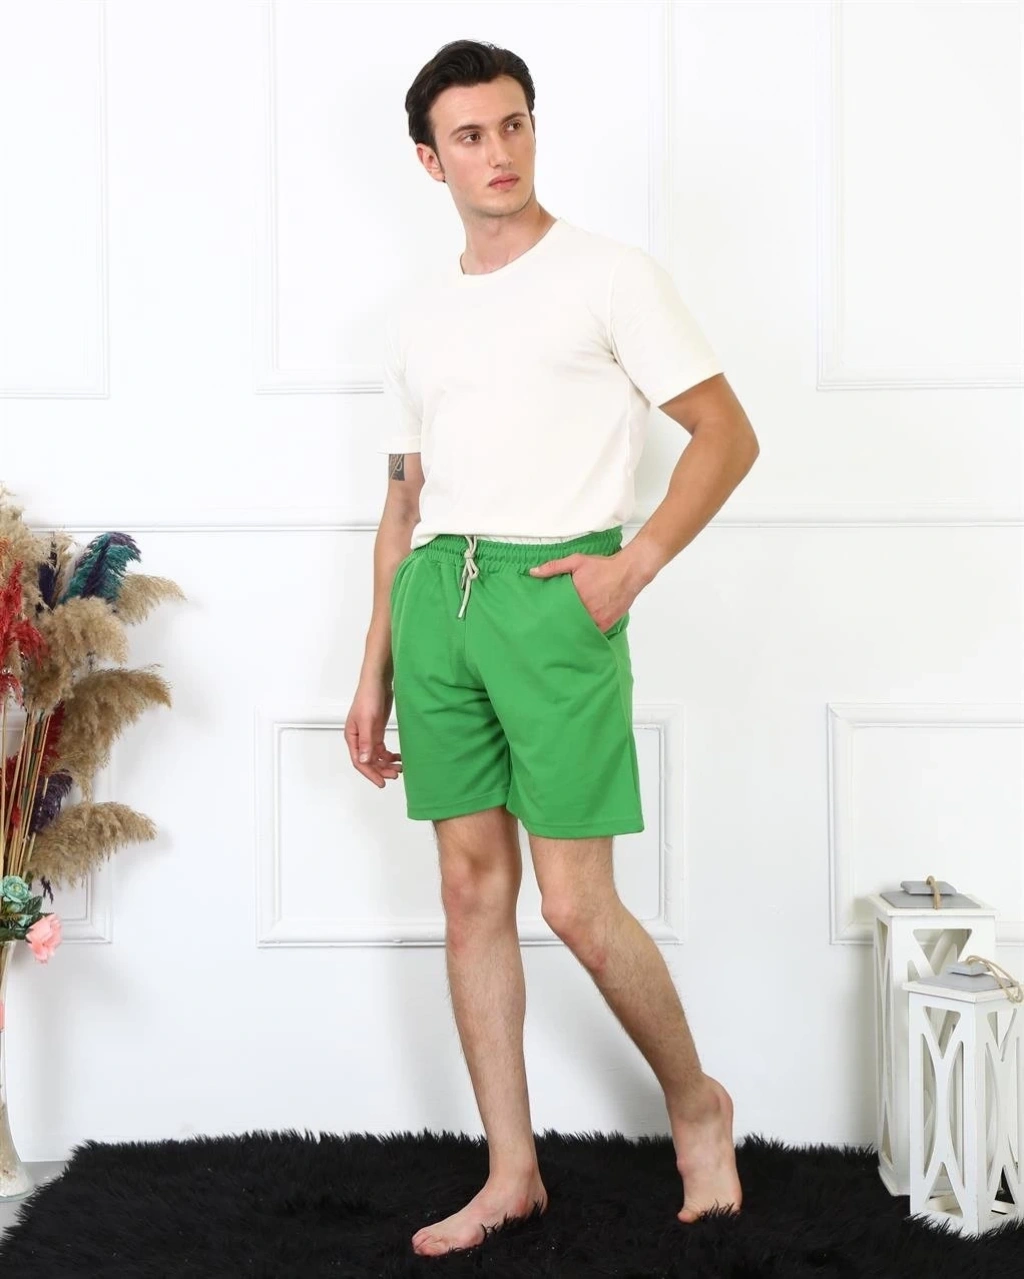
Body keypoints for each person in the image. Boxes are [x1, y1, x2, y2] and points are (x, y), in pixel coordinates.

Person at [345, 38, 759, 1259]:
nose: (500, 153)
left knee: (576, 904)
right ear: (429, 160)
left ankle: (697, 1103)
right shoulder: (415, 318)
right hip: (439, 595)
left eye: (513, 125)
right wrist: (372, 666)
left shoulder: (610, 275)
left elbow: (726, 433)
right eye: (470, 136)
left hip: (555, 591)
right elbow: (402, 502)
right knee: (469, 891)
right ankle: (510, 1172)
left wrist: (633, 565)